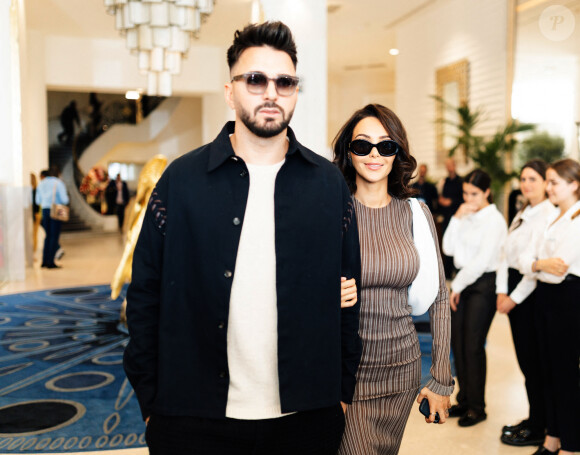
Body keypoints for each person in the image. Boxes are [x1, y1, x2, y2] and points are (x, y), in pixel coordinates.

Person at [123, 21, 362, 455]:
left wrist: (340, 393)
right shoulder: (181, 180)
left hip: (306, 418)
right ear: (231, 91)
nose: (271, 92)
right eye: (255, 79)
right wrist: (151, 399)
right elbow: (144, 294)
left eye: (285, 82)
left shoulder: (329, 185)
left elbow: (349, 297)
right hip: (191, 417)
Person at [333, 104, 454, 455]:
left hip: (402, 369)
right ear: (348, 152)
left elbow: (440, 297)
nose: (374, 154)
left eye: (385, 146)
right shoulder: (332, 213)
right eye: (362, 145)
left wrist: (442, 379)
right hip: (346, 376)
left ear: (397, 152)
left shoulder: (415, 213)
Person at [496, 160, 554, 447]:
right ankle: (534, 419)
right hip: (511, 292)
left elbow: (533, 269)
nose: (526, 184)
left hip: (528, 297)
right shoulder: (524, 211)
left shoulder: (548, 215)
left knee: (535, 364)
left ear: (546, 182)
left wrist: (512, 298)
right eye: (523, 178)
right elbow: (504, 254)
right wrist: (499, 292)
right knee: (526, 363)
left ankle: (540, 425)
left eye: (533, 178)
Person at [442, 169, 507, 426]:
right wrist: (457, 217)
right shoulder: (466, 214)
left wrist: (455, 287)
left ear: (487, 192)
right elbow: (448, 248)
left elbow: (481, 262)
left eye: (475, 194)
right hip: (463, 282)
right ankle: (465, 400)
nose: (469, 199)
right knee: (457, 343)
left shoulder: (495, 221)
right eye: (466, 193)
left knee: (472, 345)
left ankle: (478, 408)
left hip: (482, 284)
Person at [525, 159, 580, 455]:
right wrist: (537, 264)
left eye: (554, 182)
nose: (548, 188)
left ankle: (571, 445)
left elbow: (560, 266)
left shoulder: (578, 219)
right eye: (547, 181)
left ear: (574, 184)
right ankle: (553, 438)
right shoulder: (550, 217)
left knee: (565, 374)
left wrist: (536, 264)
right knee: (546, 370)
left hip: (567, 299)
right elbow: (526, 260)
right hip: (545, 296)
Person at [35, 165, 69, 269]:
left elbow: (37, 201)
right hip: (55, 211)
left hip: (45, 210)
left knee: (47, 236)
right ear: (58, 173)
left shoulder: (41, 183)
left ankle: (44, 261)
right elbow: (65, 200)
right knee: (54, 237)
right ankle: (51, 262)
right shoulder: (58, 183)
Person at [439, 157, 463, 278]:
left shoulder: (460, 181)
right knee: (446, 243)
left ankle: (457, 272)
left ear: (454, 166)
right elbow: (441, 198)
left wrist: (451, 202)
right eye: (447, 165)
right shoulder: (445, 181)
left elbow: (463, 200)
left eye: (451, 165)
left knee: (457, 244)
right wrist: (442, 201)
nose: (449, 167)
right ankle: (447, 274)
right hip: (447, 217)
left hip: (458, 218)